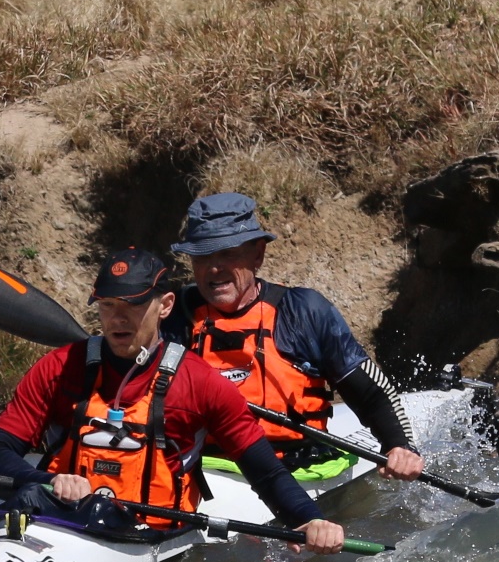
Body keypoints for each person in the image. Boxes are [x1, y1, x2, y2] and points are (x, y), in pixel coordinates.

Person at [0, 248, 348, 554]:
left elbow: (266, 473)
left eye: (133, 305)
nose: (117, 319)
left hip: (150, 541)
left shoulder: (200, 383)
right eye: (107, 305)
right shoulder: (58, 368)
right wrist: (47, 480)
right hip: (56, 524)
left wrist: (308, 519)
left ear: (166, 305)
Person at [166, 192, 426, 481]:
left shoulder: (302, 311)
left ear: (257, 254)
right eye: (203, 256)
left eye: (227, 253)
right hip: (204, 463)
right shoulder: (174, 316)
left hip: (296, 466)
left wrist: (399, 445)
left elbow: (371, 393)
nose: (214, 268)